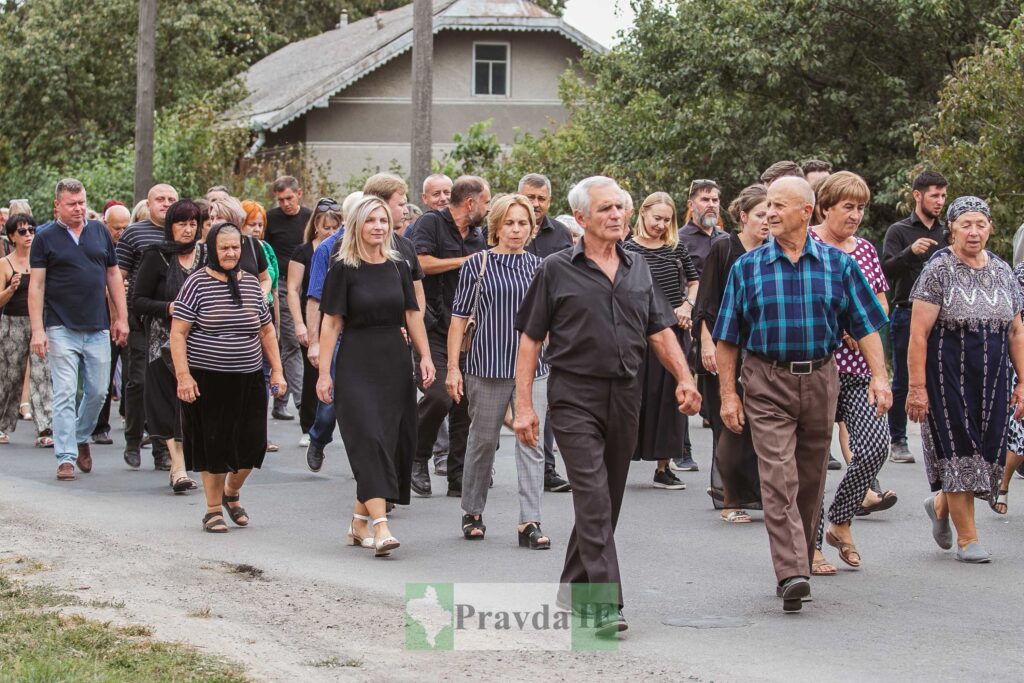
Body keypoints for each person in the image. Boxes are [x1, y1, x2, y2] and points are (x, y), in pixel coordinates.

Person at [514, 176, 702, 635]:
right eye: (605, 209)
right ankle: (603, 603)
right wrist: (523, 405)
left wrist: (684, 377)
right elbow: (530, 339)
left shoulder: (638, 267)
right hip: (574, 396)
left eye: (620, 207)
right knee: (593, 498)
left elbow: (660, 330)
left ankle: (571, 586)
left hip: (626, 395)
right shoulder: (555, 268)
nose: (616, 215)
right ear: (580, 219)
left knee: (609, 500)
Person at [713, 177, 890, 612]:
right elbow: (727, 338)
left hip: (820, 378)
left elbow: (867, 323)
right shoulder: (748, 267)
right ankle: (791, 570)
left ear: (805, 212)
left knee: (811, 477)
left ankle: (804, 554)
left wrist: (879, 376)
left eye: (778, 205)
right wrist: (728, 396)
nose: (769, 212)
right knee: (778, 476)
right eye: (767, 205)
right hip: (765, 379)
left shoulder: (838, 265)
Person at [907, 196, 1024, 563]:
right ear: (952, 229)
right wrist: (916, 388)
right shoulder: (939, 269)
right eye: (966, 225)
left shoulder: (1004, 271)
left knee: (986, 452)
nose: (974, 232)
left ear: (990, 228)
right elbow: (918, 333)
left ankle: (940, 504)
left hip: (993, 381)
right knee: (958, 451)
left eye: (981, 224)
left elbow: (1017, 331)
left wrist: (1022, 381)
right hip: (946, 379)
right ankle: (968, 539)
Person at [316, 196, 434, 556]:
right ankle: (381, 527)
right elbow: (331, 322)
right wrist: (324, 372)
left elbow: (413, 314)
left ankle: (357, 522)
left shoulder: (399, 265)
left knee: (390, 440)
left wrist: (425, 356)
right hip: (356, 361)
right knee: (367, 438)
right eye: (371, 221)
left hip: (395, 362)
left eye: (383, 220)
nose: (379, 227)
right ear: (357, 225)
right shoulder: (342, 267)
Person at [446, 194, 551, 547]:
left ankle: (529, 521)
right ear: (497, 226)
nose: (517, 229)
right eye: (510, 222)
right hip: (486, 365)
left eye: (523, 223)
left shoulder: (540, 267)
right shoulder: (477, 265)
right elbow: (458, 319)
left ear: (532, 227)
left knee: (531, 442)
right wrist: (452, 368)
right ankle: (472, 511)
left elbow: (550, 322)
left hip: (533, 369)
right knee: (483, 440)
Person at [170, 222, 285, 533]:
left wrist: (277, 369)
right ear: (212, 249)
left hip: (248, 378)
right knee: (214, 446)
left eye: (236, 247)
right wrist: (183, 376)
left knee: (253, 446)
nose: (231, 253)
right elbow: (178, 334)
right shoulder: (196, 284)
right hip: (208, 379)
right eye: (225, 248)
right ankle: (212, 510)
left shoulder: (250, 283)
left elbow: (266, 330)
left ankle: (231, 493)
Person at [808, 172, 895, 573]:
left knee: (876, 446)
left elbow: (879, 305)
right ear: (825, 207)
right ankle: (810, 543)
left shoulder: (864, 251)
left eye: (860, 208)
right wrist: (840, 327)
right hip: (818, 368)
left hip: (860, 367)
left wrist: (863, 335)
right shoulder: (806, 242)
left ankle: (841, 519)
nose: (856, 215)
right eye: (848, 207)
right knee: (811, 461)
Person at [29, 178, 129, 480]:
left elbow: (113, 275)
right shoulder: (44, 237)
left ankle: (80, 435)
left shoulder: (99, 231)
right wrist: (38, 330)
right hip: (60, 326)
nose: (79, 208)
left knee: (99, 393)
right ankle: (65, 457)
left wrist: (120, 317)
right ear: (57, 206)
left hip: (97, 325)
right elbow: (36, 285)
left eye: (82, 202)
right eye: (72, 204)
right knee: (64, 393)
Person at [411, 175, 490, 497]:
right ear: (470, 203)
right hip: (432, 328)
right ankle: (417, 457)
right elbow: (420, 263)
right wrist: (466, 262)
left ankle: (459, 476)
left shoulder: (478, 235)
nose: (487, 208)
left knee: (464, 403)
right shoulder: (430, 223)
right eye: (486, 202)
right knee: (439, 395)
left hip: (468, 331)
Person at [694, 184, 768, 522]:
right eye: (761, 215)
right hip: (725, 346)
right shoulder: (724, 249)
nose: (768, 221)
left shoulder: (774, 251)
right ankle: (729, 499)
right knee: (731, 425)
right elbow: (707, 303)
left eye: (772, 215)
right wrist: (708, 344)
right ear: (743, 216)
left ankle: (757, 494)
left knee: (758, 426)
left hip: (760, 349)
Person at [622, 192, 699, 489]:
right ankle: (620, 458)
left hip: (674, 328)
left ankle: (663, 466)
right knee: (635, 395)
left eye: (667, 220)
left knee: (670, 398)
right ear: (642, 214)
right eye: (657, 218)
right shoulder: (627, 249)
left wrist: (686, 305)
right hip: (639, 331)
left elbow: (694, 282)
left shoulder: (676, 247)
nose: (661, 225)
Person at [132, 200, 205, 493]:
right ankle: (178, 468)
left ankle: (184, 464)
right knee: (169, 404)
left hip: (201, 342)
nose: (188, 230)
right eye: (182, 224)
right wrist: (169, 307)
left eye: (192, 224)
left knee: (192, 405)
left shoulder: (207, 256)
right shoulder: (156, 256)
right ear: (170, 227)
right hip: (163, 343)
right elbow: (138, 300)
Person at [882, 170, 948, 464]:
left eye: (943, 195)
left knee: (941, 377)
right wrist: (910, 252)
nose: (939, 201)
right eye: (934, 195)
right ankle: (898, 439)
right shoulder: (899, 231)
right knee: (904, 378)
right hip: (906, 313)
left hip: (943, 317)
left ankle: (941, 437)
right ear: (917, 195)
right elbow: (885, 272)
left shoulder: (947, 232)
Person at [516, 173, 573, 492]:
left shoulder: (560, 233)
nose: (535, 204)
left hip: (549, 328)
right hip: (505, 325)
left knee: (546, 400)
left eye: (541, 198)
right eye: (530, 197)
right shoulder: (503, 227)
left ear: (550, 201)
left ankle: (547, 469)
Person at [117, 183, 178, 470]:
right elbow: (118, 276)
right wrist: (118, 316)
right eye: (160, 199)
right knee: (140, 380)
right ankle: (132, 438)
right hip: (140, 316)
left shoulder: (182, 231)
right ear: (149, 203)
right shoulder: (134, 232)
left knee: (164, 384)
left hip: (175, 320)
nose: (166, 204)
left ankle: (162, 450)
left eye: (171, 199)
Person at [303, 192, 365, 469]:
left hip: (367, 332)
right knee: (330, 401)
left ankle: (365, 463)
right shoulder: (328, 249)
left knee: (365, 403)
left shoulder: (378, 247)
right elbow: (315, 298)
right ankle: (318, 438)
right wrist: (314, 341)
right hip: (337, 332)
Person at [675, 179, 728, 472]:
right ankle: (682, 449)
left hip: (719, 323)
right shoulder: (680, 239)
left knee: (717, 386)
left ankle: (723, 453)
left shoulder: (726, 239)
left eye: (715, 200)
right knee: (683, 382)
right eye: (705, 199)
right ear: (691, 204)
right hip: (686, 320)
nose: (711, 204)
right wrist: (686, 307)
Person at [287, 198, 341, 447]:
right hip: (314, 319)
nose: (330, 232)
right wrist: (300, 324)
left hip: (337, 316)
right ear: (316, 226)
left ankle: (331, 421)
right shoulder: (304, 251)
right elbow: (294, 289)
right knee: (313, 373)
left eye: (334, 227)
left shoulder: (341, 250)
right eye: (325, 227)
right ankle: (309, 425)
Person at [0, 214, 53, 448]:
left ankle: (45, 427)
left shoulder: (41, 260)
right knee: (10, 376)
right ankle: (2, 424)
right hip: (13, 323)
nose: (28, 234)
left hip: (38, 323)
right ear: (12, 236)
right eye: (22, 231)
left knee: (41, 375)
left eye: (32, 230)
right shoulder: (5, 264)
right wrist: (10, 290)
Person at [265, 176, 311, 421]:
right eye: (280, 200)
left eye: (289, 198)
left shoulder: (308, 217)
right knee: (291, 340)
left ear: (299, 193)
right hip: (281, 284)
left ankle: (279, 399)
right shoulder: (270, 219)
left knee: (294, 343)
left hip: (307, 283)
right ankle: (302, 403)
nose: (285, 204)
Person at [92, 203, 133, 445]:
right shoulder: (99, 247)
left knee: (134, 375)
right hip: (105, 321)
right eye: (116, 227)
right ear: (106, 225)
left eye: (125, 227)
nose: (121, 232)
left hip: (130, 319)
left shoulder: (131, 248)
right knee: (104, 375)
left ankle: (133, 419)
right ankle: (99, 426)